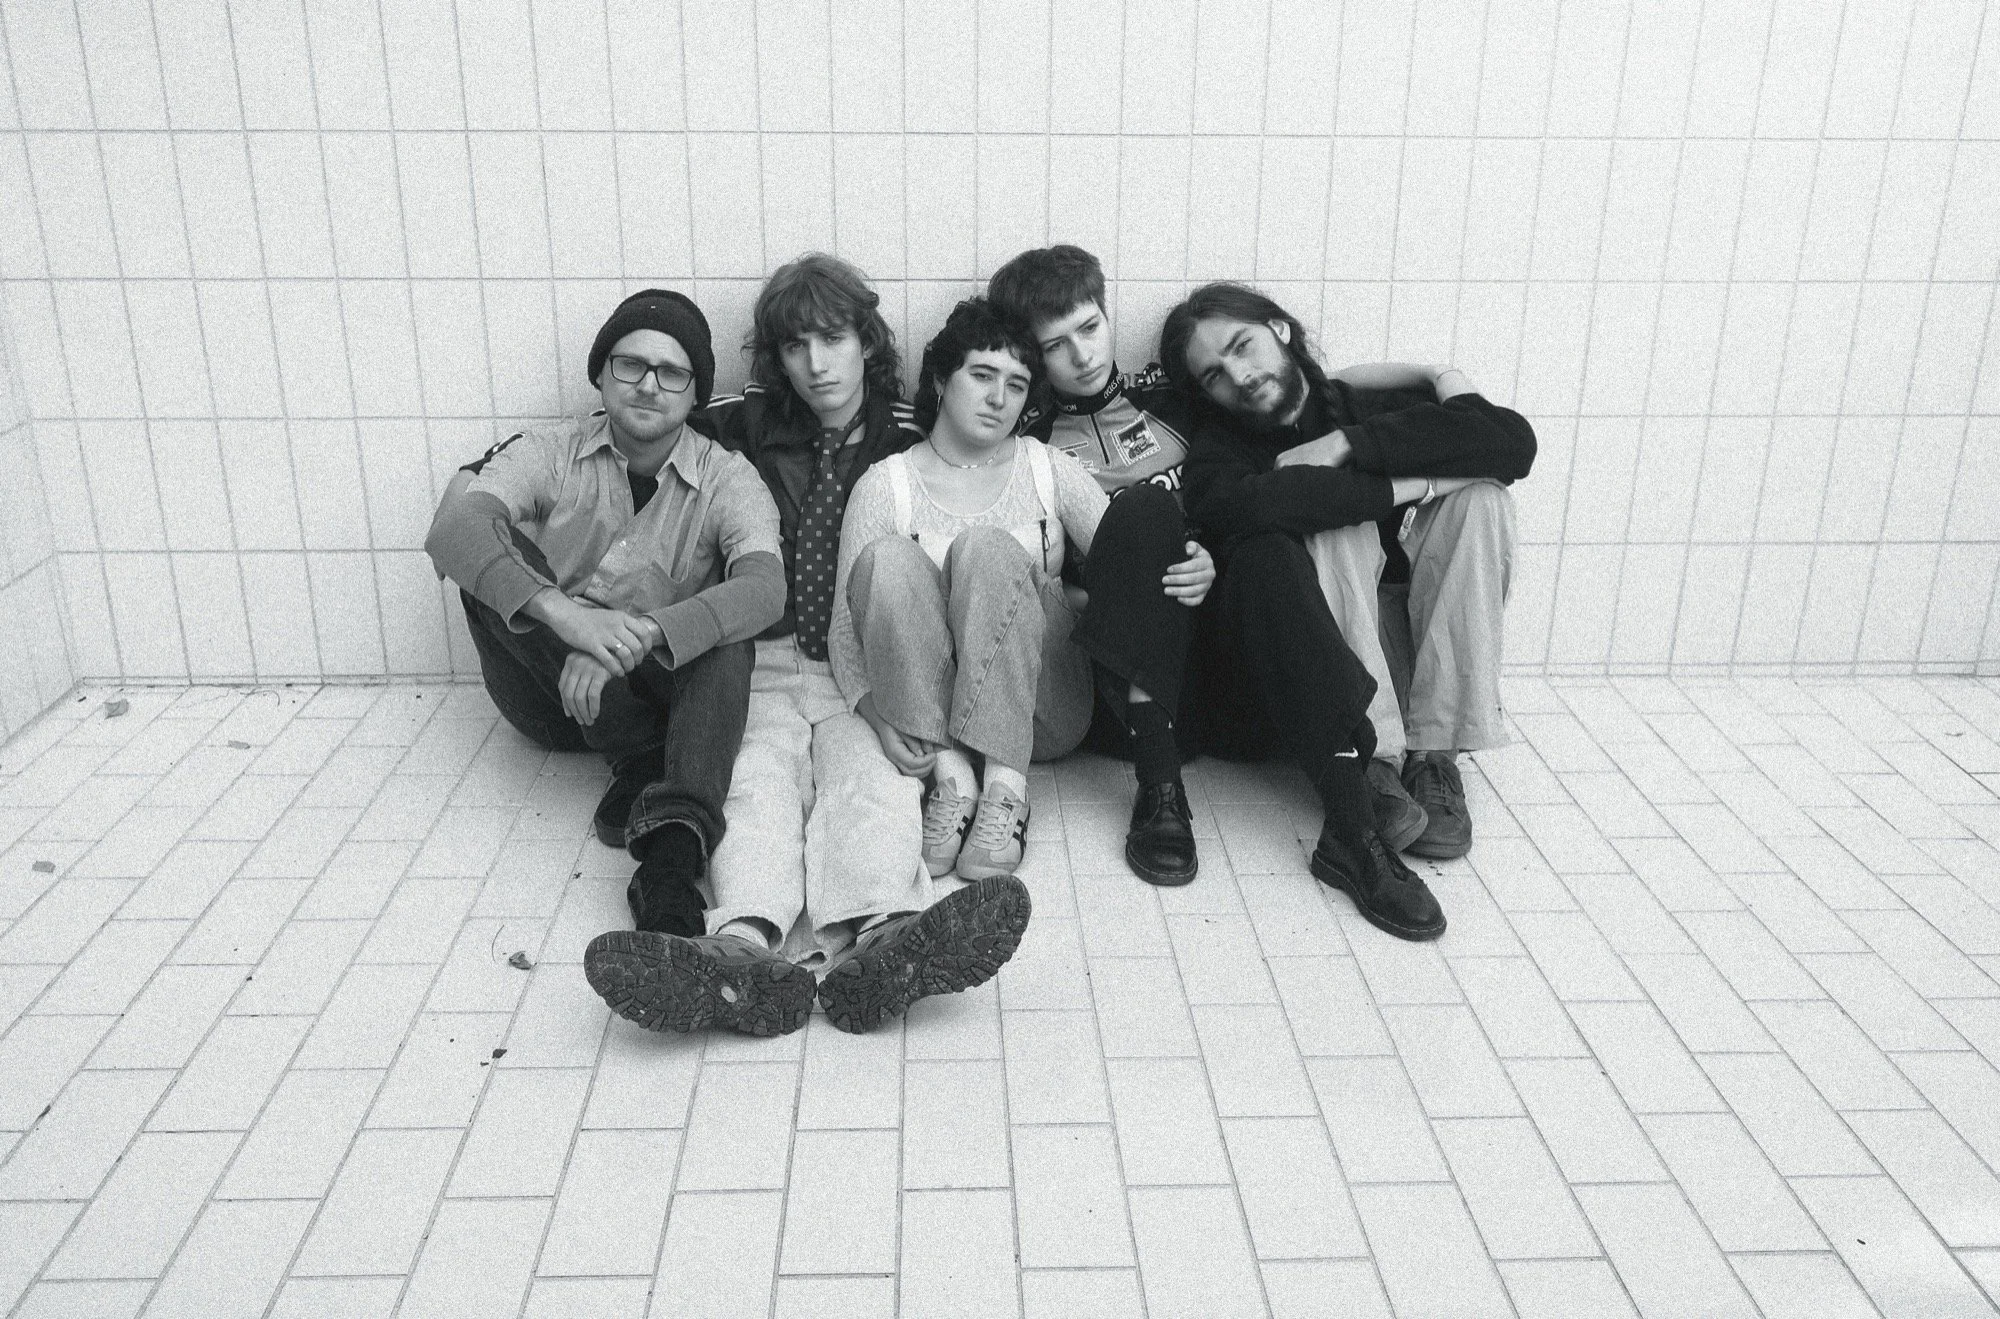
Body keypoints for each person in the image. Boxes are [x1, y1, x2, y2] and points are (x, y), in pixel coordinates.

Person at [585, 255, 1031, 1037]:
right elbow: (634, 443)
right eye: (795, 346)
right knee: (754, 785)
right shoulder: (738, 429)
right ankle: (739, 951)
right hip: (753, 656)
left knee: (872, 783)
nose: (817, 364)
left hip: (857, 661)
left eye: (834, 338)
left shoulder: (908, 436)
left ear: (868, 339)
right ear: (775, 358)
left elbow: (1002, 479)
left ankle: (884, 940)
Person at [426, 289, 782, 951]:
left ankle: (670, 870)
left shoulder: (729, 478)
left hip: (656, 694)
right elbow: (455, 529)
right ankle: (636, 755)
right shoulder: (551, 448)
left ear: (695, 390)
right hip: (548, 695)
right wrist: (567, 619)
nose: (649, 384)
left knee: (728, 637)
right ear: (601, 371)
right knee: (487, 555)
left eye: (671, 372)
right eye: (630, 364)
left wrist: (640, 631)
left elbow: (765, 589)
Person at [830, 297, 1212, 886]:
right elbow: (843, 628)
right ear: (940, 379)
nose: (998, 398)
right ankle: (954, 788)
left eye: (1016, 384)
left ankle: (1006, 791)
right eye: (981, 376)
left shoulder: (1045, 466)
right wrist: (881, 721)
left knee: (986, 547)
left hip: (1044, 712)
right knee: (885, 560)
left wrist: (1193, 562)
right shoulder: (887, 486)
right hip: (933, 727)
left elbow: (1125, 562)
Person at [1162, 283, 1535, 868]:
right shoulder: (1219, 453)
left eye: (1242, 346)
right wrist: (1420, 483)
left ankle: (1436, 754)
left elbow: (1512, 444)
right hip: (1331, 665)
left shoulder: (1368, 407)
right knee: (1333, 522)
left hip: (1417, 639)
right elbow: (1270, 502)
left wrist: (1354, 438)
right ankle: (1374, 759)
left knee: (1481, 501)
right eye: (1213, 375)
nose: (1238, 374)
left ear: (1280, 330)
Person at [988, 245, 1214, 887]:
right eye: (1057, 345)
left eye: (1090, 328)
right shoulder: (1025, 442)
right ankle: (1160, 790)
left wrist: (1214, 559)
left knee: (1151, 512)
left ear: (1108, 317)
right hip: (1107, 692)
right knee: (1139, 513)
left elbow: (1240, 497)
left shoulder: (1176, 405)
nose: (1083, 355)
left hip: (1207, 668)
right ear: (1033, 358)